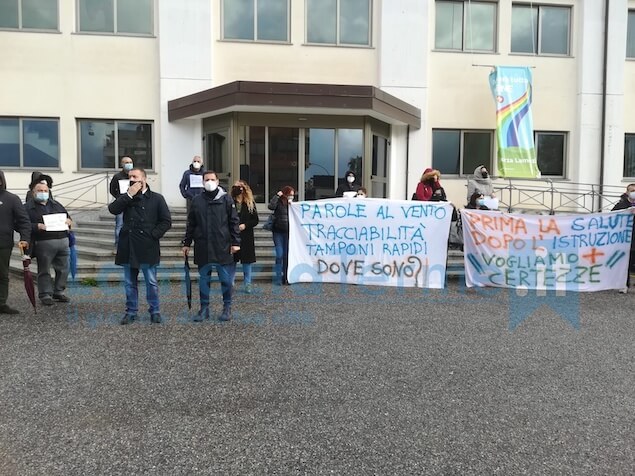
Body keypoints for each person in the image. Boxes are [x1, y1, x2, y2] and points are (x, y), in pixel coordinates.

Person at [108, 168, 172, 324]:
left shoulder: (157, 198)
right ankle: (131, 311)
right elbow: (113, 209)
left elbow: (166, 221)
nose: (132, 179)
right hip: (128, 245)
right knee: (130, 283)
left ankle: (155, 310)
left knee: (151, 282)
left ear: (144, 179)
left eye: (135, 176)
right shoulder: (126, 197)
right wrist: (129, 194)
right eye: (130, 177)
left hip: (147, 245)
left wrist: (153, 235)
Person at [182, 171, 241, 322]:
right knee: (204, 280)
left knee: (226, 280)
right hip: (203, 245)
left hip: (223, 245)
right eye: (207, 179)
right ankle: (204, 308)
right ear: (202, 182)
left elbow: (234, 222)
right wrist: (186, 243)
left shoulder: (226, 199)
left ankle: (227, 308)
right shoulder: (197, 200)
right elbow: (192, 223)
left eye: (212, 179)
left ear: (217, 181)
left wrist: (236, 243)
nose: (209, 181)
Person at [24, 180, 72, 306]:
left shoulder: (56, 204)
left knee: (64, 269)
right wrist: (36, 226)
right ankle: (45, 294)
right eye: (40, 191)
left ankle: (59, 291)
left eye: (45, 191)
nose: (43, 193)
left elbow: (68, 217)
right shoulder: (27, 207)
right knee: (44, 270)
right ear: (33, 192)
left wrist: (69, 221)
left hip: (62, 240)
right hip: (43, 242)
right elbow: (21, 224)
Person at [0, 171, 31, 314]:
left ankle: (1, 303)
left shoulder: (11, 199)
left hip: (3, 244)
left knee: (2, 275)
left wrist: (25, 238)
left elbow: (23, 221)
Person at [231, 180, 259, 294]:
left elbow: (255, 220)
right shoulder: (230, 201)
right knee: (232, 260)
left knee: (246, 261)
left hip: (246, 235)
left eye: (240, 187)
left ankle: (247, 283)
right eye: (236, 187)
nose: (238, 189)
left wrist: (245, 225)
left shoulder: (249, 203)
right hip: (232, 234)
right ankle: (230, 283)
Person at [268, 186, 295, 285]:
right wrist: (276, 196)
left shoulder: (292, 205)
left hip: (288, 232)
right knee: (279, 255)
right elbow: (271, 206)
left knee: (286, 256)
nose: (291, 197)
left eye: (292, 195)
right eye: (290, 195)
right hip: (278, 231)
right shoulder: (279, 202)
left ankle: (286, 277)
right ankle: (278, 276)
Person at [612, 183, 635, 293]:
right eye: (631, 190)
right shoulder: (621, 204)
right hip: (625, 238)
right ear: (627, 192)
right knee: (626, 262)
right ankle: (624, 285)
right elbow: (612, 215)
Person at [109, 156, 134, 254]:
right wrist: (118, 198)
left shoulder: (133, 175)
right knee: (119, 224)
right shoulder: (117, 176)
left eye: (130, 162)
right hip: (121, 204)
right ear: (122, 164)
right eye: (126, 162)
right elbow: (112, 189)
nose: (129, 164)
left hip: (132, 203)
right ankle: (118, 245)